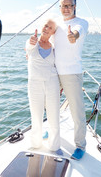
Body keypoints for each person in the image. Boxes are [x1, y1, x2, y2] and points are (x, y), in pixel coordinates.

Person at [53, 0, 89, 160]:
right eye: (63, 6)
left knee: (77, 111)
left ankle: (80, 145)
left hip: (71, 72)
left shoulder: (81, 23)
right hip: (53, 71)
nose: (66, 8)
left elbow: (78, 32)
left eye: (69, 5)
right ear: (60, 7)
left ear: (74, 6)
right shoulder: (56, 24)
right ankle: (51, 133)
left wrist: (73, 36)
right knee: (50, 104)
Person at [26, 19, 62, 155]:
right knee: (36, 115)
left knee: (54, 115)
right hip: (34, 84)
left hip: (52, 83)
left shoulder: (53, 46)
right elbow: (29, 48)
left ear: (53, 32)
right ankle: (35, 144)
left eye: (50, 27)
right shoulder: (32, 41)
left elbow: (59, 64)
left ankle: (54, 146)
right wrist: (31, 43)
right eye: (46, 25)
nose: (47, 28)